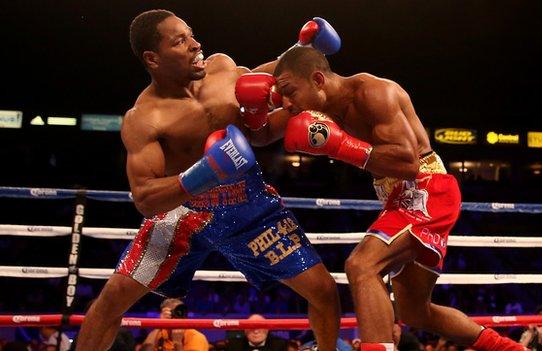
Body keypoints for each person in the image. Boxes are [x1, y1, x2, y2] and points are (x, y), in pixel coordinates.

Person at [76, 10, 342, 351]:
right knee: (111, 301)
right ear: (152, 58)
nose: (195, 44)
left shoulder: (220, 67)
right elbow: (144, 197)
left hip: (249, 204)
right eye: (180, 41)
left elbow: (261, 80)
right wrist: (206, 171)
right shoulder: (144, 118)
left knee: (323, 291)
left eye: (191, 34)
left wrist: (304, 49)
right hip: (184, 212)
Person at [234, 46, 528, 351]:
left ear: (318, 79)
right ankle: (512, 349)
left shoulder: (373, 93)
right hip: (396, 197)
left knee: (362, 265)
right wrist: (254, 110)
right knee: (415, 312)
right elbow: (261, 135)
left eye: (290, 92)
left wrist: (339, 146)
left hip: (425, 187)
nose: (287, 103)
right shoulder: (312, 107)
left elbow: (408, 162)